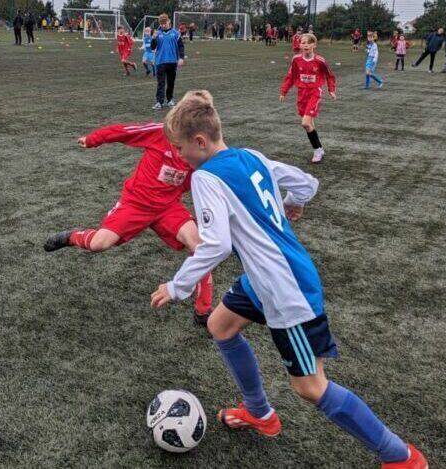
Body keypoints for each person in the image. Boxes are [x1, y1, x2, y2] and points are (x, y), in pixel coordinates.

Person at [151, 90, 429, 469]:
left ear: (200, 142)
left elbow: (215, 244)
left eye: (181, 148)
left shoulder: (206, 178)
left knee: (310, 387)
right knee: (220, 325)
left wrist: (176, 286)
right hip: (264, 278)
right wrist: (291, 203)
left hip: (285, 288)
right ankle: (260, 413)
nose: (179, 157)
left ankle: (400, 456)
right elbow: (305, 183)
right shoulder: (250, 156)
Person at [44, 120, 214, 325]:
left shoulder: (200, 151)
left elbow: (199, 181)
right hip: (136, 203)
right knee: (100, 243)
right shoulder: (161, 132)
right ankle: (72, 237)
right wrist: (92, 139)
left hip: (168, 207)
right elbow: (124, 132)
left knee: (200, 247)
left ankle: (203, 311)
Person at [279, 33, 336, 164]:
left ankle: (317, 151)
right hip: (301, 93)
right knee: (309, 124)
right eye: (303, 43)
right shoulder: (296, 59)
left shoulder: (320, 61)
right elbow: (291, 76)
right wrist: (284, 91)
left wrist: (331, 90)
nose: (305, 45)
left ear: (314, 45)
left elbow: (329, 75)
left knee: (305, 123)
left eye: (308, 43)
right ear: (299, 45)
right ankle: (320, 148)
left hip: (315, 92)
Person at [151, 14, 184, 110]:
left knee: (171, 82)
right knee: (161, 83)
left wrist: (181, 58)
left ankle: (170, 100)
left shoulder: (176, 33)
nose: (163, 25)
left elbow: (181, 46)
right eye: (161, 23)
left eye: (164, 23)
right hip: (160, 61)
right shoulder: (157, 34)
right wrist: (153, 38)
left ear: (169, 21)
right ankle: (159, 102)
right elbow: (153, 47)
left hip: (173, 61)